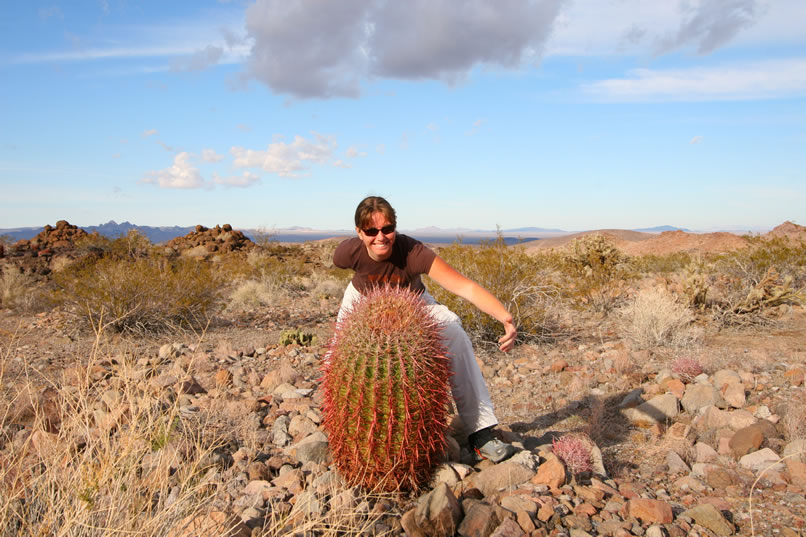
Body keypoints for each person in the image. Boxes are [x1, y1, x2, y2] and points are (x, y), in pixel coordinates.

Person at [333, 196, 517, 463]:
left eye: (387, 229)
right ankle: (348, 434)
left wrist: (505, 317)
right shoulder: (346, 253)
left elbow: (463, 286)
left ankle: (481, 431)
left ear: (395, 227)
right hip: (363, 301)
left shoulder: (412, 251)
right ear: (360, 233)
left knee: (454, 332)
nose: (381, 237)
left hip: (413, 302)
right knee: (339, 357)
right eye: (371, 231)